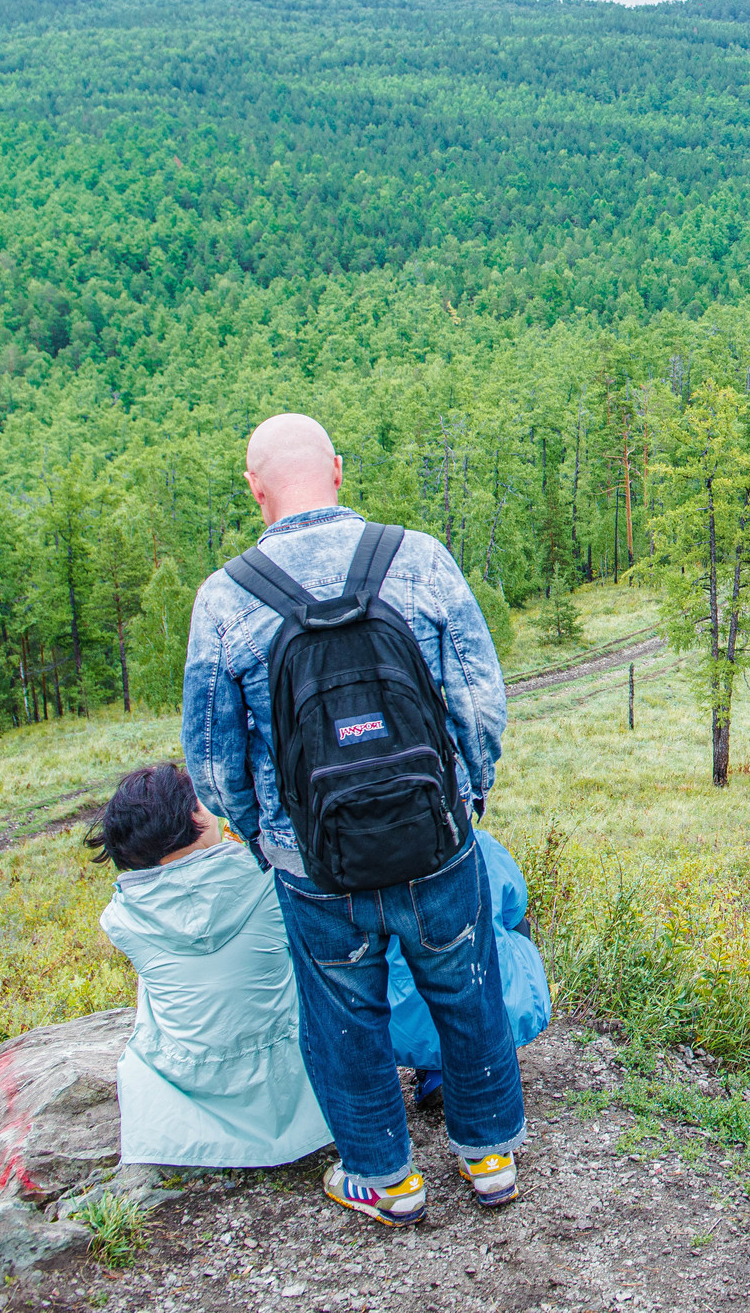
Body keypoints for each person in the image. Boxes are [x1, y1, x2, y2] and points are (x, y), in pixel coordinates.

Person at [181, 412, 522, 1227]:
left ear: (255, 488)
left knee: (343, 1018)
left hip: (315, 865)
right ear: (336, 469)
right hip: (435, 838)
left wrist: (264, 837)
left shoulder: (225, 597)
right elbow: (479, 699)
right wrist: (468, 793)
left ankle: (387, 1178)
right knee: (466, 987)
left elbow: (214, 756)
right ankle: (489, 1158)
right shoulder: (419, 559)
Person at [89, 763, 552, 1170]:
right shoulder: (266, 876)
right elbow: (514, 903)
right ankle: (468, 1100)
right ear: (195, 816)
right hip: (307, 1077)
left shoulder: (120, 917)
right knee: (489, 938)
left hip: (196, 1086)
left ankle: (422, 1095)